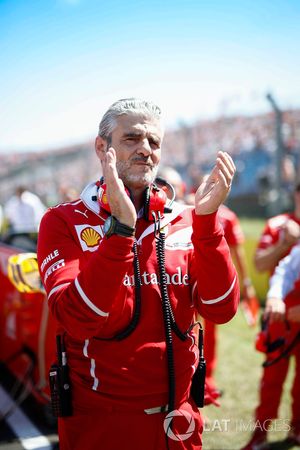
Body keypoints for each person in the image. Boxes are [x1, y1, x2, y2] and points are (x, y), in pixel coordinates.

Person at [37, 98, 239, 450]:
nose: (145, 150)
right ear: (103, 148)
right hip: (101, 424)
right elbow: (77, 318)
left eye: (154, 142)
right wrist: (120, 232)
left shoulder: (186, 219)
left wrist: (207, 223)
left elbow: (221, 309)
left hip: (180, 418)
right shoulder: (63, 221)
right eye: (131, 138)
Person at [242, 182, 300, 450]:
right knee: (271, 381)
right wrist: (283, 243)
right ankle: (260, 434)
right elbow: (263, 265)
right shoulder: (279, 224)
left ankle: (297, 431)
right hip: (279, 320)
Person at [203, 204, 258, 393]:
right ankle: (200, 382)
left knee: (207, 334)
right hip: (185, 279)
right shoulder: (189, 207)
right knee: (193, 333)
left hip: (210, 285)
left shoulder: (227, 216)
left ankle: (206, 382)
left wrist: (247, 284)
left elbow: (237, 252)